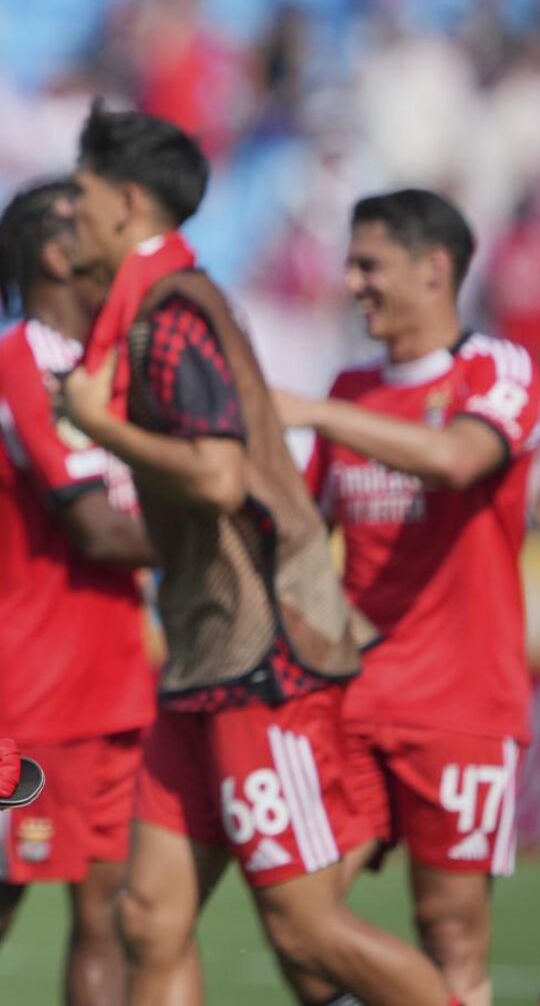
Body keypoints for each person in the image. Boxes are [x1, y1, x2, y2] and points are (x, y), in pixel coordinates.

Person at [59, 101, 461, 1006]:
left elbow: (216, 474)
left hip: (261, 660)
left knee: (309, 933)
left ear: (126, 203)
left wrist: (99, 426)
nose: (67, 212)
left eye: (78, 193)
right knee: (149, 919)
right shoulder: (154, 306)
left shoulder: (173, 316)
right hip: (206, 656)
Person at [274, 190, 540, 1006]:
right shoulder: (351, 384)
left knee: (451, 934)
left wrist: (316, 412)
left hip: (462, 700)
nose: (351, 281)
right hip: (351, 700)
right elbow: (302, 536)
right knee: (299, 914)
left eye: (369, 264)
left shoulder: (495, 369)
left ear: (434, 268)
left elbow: (460, 460)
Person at [0, 179, 156, 1006]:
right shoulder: (24, 357)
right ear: (59, 252)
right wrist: (222, 528)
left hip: (111, 676)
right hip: (29, 686)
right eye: (96, 221)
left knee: (108, 911)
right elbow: (98, 530)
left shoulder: (105, 365)